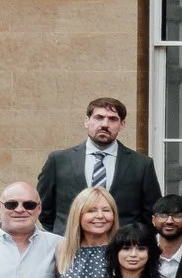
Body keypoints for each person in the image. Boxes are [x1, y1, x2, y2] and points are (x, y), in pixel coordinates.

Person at [37, 97, 161, 233]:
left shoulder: (141, 164)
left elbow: (152, 214)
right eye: (99, 117)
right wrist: (63, 234)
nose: (105, 124)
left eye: (113, 119)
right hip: (70, 245)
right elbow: (43, 209)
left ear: (122, 125)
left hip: (120, 247)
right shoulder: (59, 160)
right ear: (87, 121)